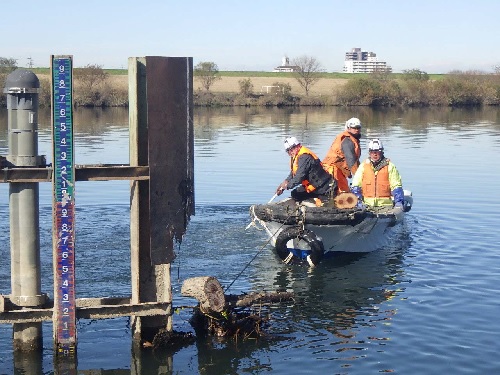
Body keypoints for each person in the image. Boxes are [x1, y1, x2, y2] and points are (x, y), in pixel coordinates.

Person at [276, 136, 335, 203]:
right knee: (295, 194)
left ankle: (317, 201)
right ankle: (312, 200)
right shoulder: (296, 156)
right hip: (312, 186)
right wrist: (282, 185)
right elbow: (293, 174)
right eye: (288, 151)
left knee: (324, 202)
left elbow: (299, 177)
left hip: (323, 187)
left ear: (298, 146)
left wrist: (286, 186)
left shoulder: (304, 157)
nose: (290, 152)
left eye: (291, 149)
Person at [350, 138, 405, 209]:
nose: (375, 154)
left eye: (377, 152)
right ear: (369, 153)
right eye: (372, 151)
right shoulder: (363, 166)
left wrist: (399, 202)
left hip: (386, 206)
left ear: (382, 152)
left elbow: (396, 186)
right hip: (366, 206)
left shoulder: (390, 166)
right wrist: (358, 201)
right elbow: (356, 185)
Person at [322, 117, 362, 193]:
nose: (356, 130)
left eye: (358, 127)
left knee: (344, 191)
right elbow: (351, 161)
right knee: (343, 192)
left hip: (338, 169)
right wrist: (360, 177)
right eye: (354, 128)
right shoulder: (347, 141)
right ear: (349, 128)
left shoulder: (352, 140)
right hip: (333, 170)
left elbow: (354, 160)